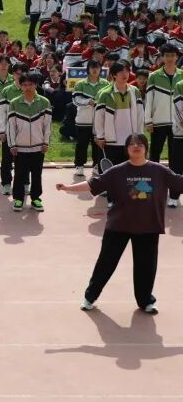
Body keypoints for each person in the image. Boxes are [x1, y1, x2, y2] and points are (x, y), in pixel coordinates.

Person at [57, 134, 183, 313]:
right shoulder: (118, 171)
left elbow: (179, 182)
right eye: (132, 144)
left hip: (148, 226)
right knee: (106, 263)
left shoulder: (159, 171)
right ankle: (89, 297)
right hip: (119, 226)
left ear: (146, 147)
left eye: (140, 143)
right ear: (127, 149)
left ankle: (146, 301)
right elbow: (93, 184)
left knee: (146, 267)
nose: (136, 146)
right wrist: (67, 188)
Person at [7, 72, 52, 212]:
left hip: (38, 147)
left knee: (37, 174)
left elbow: (47, 126)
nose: (27, 87)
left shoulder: (44, 102)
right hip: (20, 148)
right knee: (19, 174)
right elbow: (11, 127)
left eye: (30, 84)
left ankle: (36, 198)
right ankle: (18, 199)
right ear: (20, 86)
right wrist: (12, 144)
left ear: (36, 85)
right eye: (24, 85)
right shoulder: (14, 103)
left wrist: (46, 142)